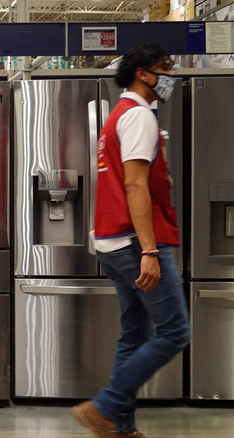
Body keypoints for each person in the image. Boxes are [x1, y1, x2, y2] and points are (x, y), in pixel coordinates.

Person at [72, 43, 190, 437]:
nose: (172, 75)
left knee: (134, 332)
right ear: (143, 72)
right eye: (166, 68)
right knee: (175, 331)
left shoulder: (116, 116)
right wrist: (151, 251)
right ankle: (103, 408)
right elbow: (135, 185)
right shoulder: (139, 116)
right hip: (137, 243)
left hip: (112, 240)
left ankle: (121, 427)